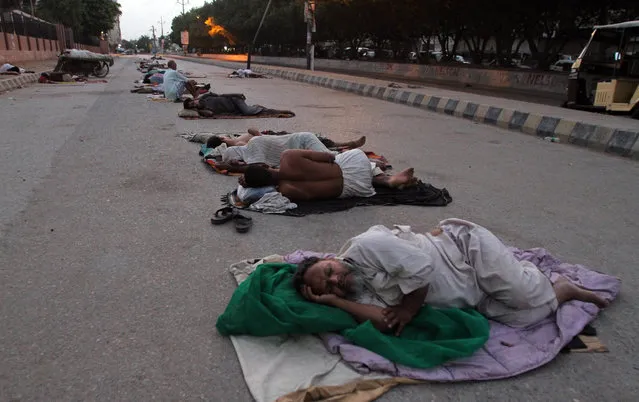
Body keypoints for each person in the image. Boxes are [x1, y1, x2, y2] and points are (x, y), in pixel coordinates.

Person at [292, 219, 609, 335]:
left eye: (329, 272)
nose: (335, 280)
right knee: (523, 318)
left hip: (468, 252)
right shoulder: (352, 293)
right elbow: (383, 322)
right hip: (469, 294)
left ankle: (533, 275)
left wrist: (408, 310)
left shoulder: (366, 245)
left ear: (331, 258)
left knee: (523, 295)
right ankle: (563, 289)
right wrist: (335, 302)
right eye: (327, 286)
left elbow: (422, 272)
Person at [239, 148, 416, 201]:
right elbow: (329, 157)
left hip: (353, 189)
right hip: (354, 167)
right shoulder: (289, 156)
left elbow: (312, 198)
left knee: (356, 176)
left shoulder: (286, 190)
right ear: (264, 165)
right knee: (344, 158)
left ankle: (387, 180)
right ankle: (386, 176)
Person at [183, 92, 266, 117]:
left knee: (247, 112)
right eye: (193, 106)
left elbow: (221, 95)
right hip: (234, 109)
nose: (195, 104)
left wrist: (236, 94)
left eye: (193, 103)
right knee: (246, 111)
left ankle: (257, 107)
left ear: (194, 100)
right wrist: (198, 109)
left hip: (234, 100)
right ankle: (253, 107)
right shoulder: (204, 110)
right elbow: (210, 114)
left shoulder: (204, 97)